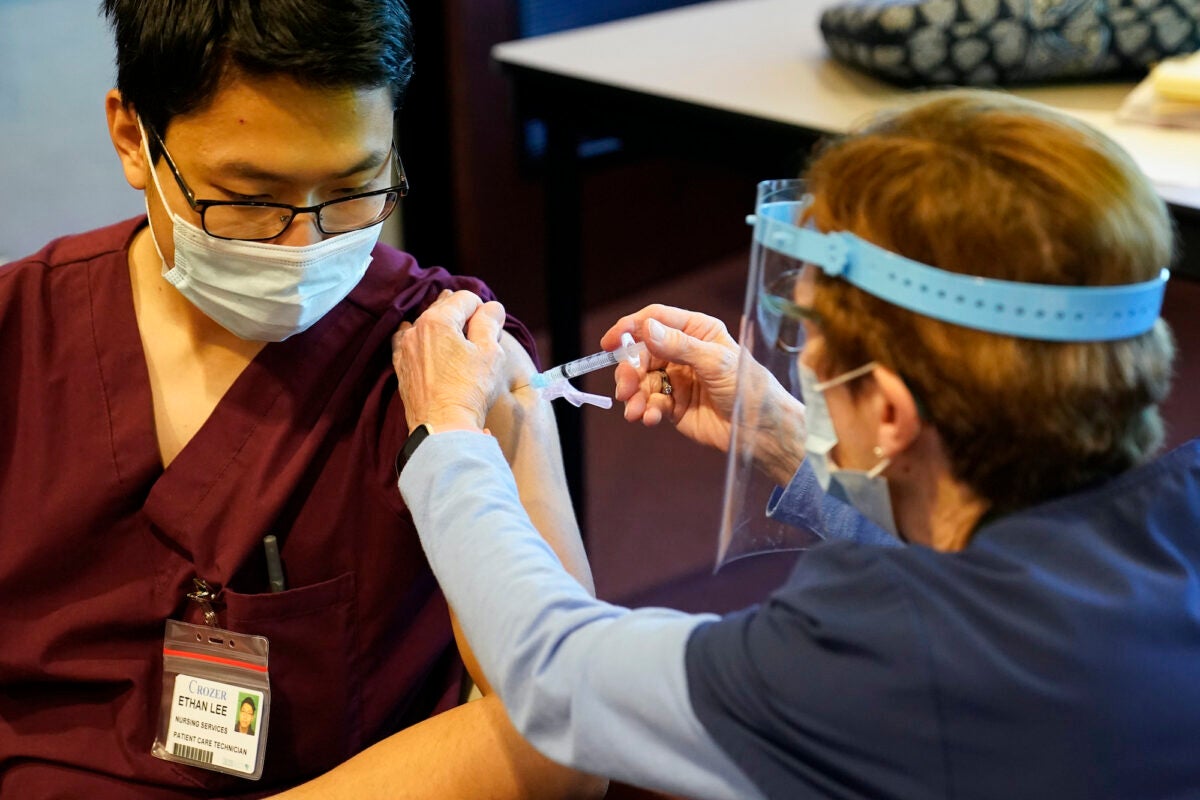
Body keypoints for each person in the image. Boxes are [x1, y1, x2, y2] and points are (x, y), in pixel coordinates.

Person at [389, 90, 1200, 800]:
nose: (802, 358)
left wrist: (450, 436)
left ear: (888, 411)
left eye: (809, 336)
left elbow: (558, 679)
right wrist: (781, 433)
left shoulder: (880, 652)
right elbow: (996, 575)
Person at [0, 1, 603, 798]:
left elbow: (565, 742)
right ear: (132, 140)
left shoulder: (454, 364)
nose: (306, 248)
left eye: (356, 190)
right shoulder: (21, 335)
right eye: (250, 201)